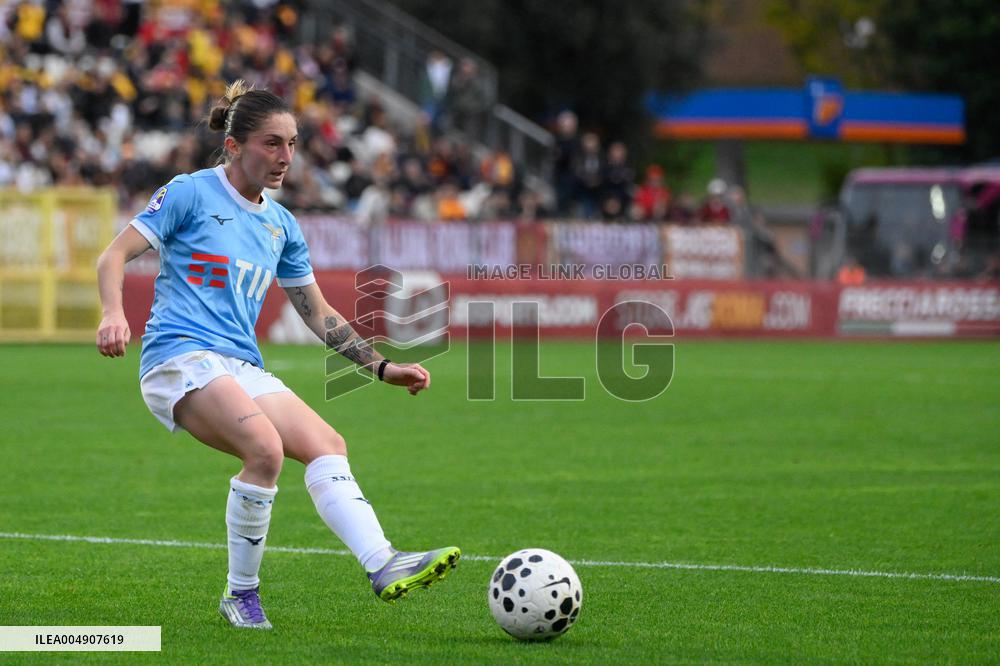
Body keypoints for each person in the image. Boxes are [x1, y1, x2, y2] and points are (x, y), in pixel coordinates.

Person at [94, 80, 460, 630]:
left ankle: (383, 562)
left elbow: (318, 312)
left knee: (327, 445)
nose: (286, 157)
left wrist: (381, 367)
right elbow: (114, 255)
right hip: (178, 357)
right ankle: (241, 595)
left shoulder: (281, 223)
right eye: (272, 143)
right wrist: (113, 312)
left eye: (292, 143)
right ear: (235, 146)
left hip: (239, 364)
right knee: (263, 450)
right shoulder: (190, 192)